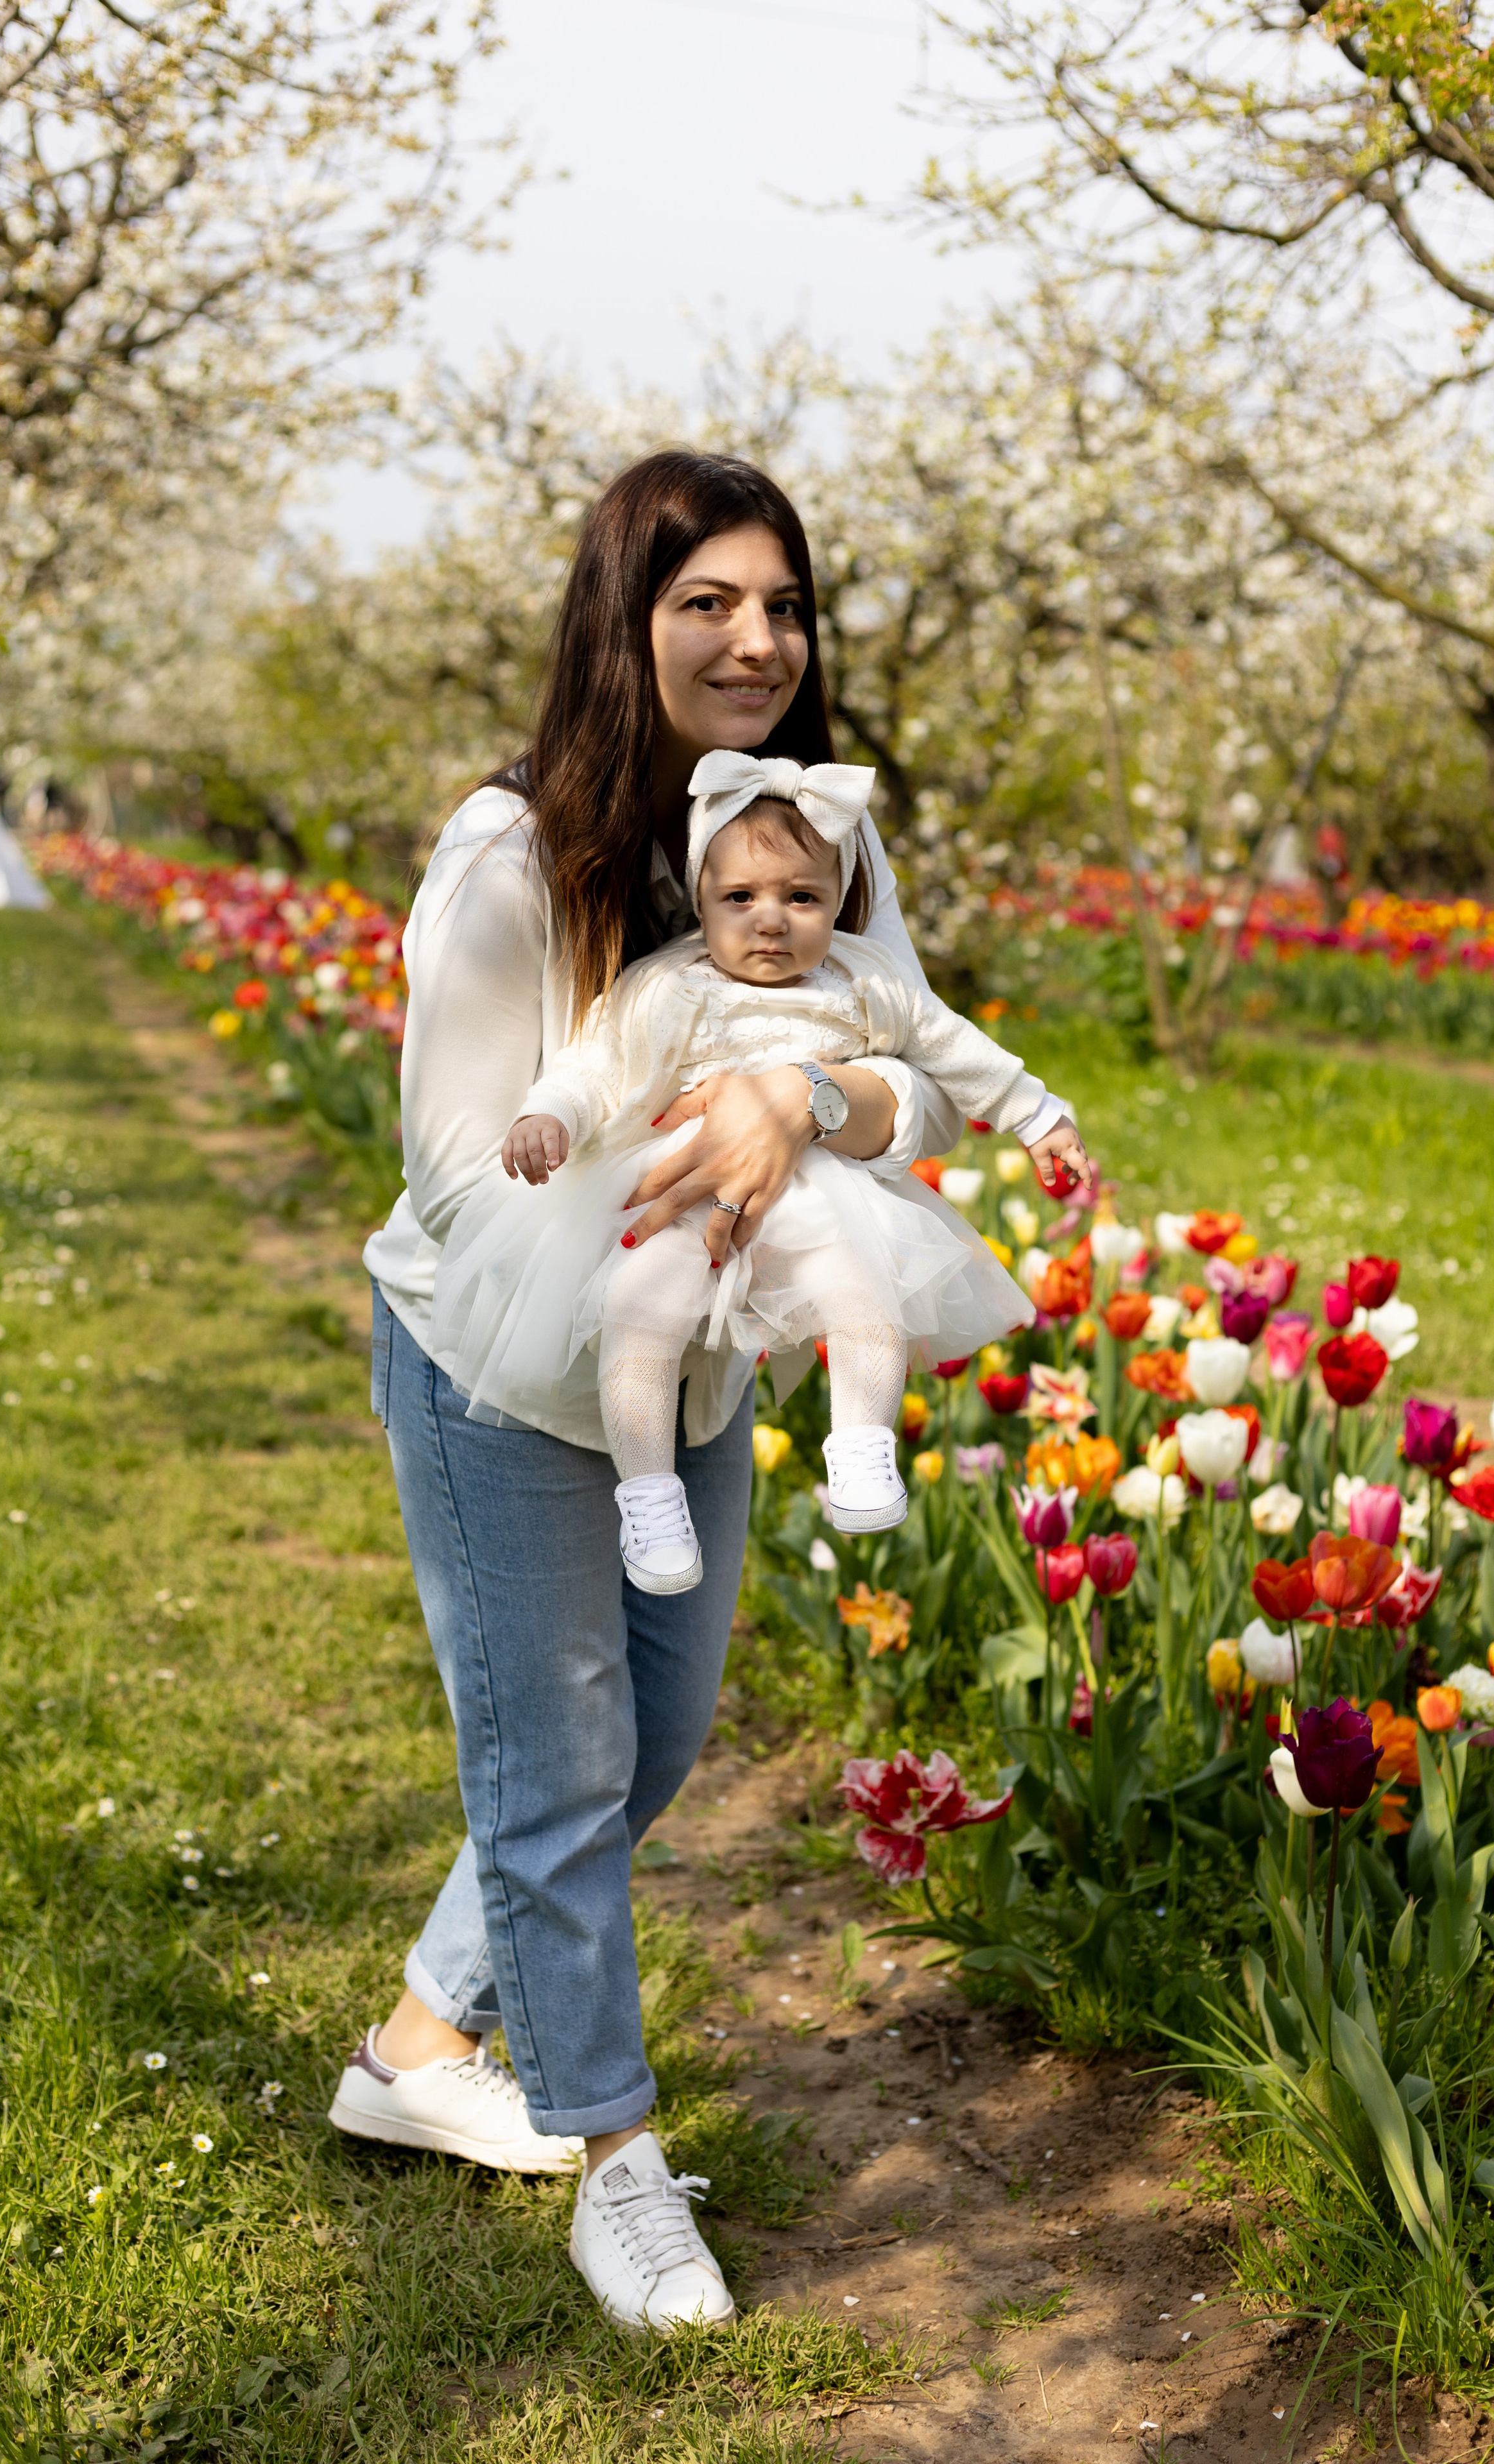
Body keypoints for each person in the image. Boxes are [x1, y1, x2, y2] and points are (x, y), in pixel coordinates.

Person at [327, 450, 1069, 2334]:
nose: (759, 640)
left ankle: (421, 2045)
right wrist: (676, 1126)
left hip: (706, 1368)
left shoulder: (820, 836)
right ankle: (617, 2162)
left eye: (786, 604)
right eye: (708, 604)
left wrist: (795, 1100)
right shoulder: (516, 853)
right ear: (625, 623)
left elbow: (902, 1078)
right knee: (563, 1773)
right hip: (505, 1365)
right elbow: (448, 1164)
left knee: (643, 1754)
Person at [435, 758, 1089, 1592]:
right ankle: (649, 1494)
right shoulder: (666, 985)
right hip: (680, 1201)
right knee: (639, 1320)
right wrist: (550, 1117)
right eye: (741, 898)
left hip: (816, 1195)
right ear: (700, 903)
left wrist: (1038, 1116)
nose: (771, 921)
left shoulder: (864, 982)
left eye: (802, 898)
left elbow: (954, 1048)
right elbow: (593, 1067)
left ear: (835, 900)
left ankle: (859, 1447)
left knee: (868, 1302)